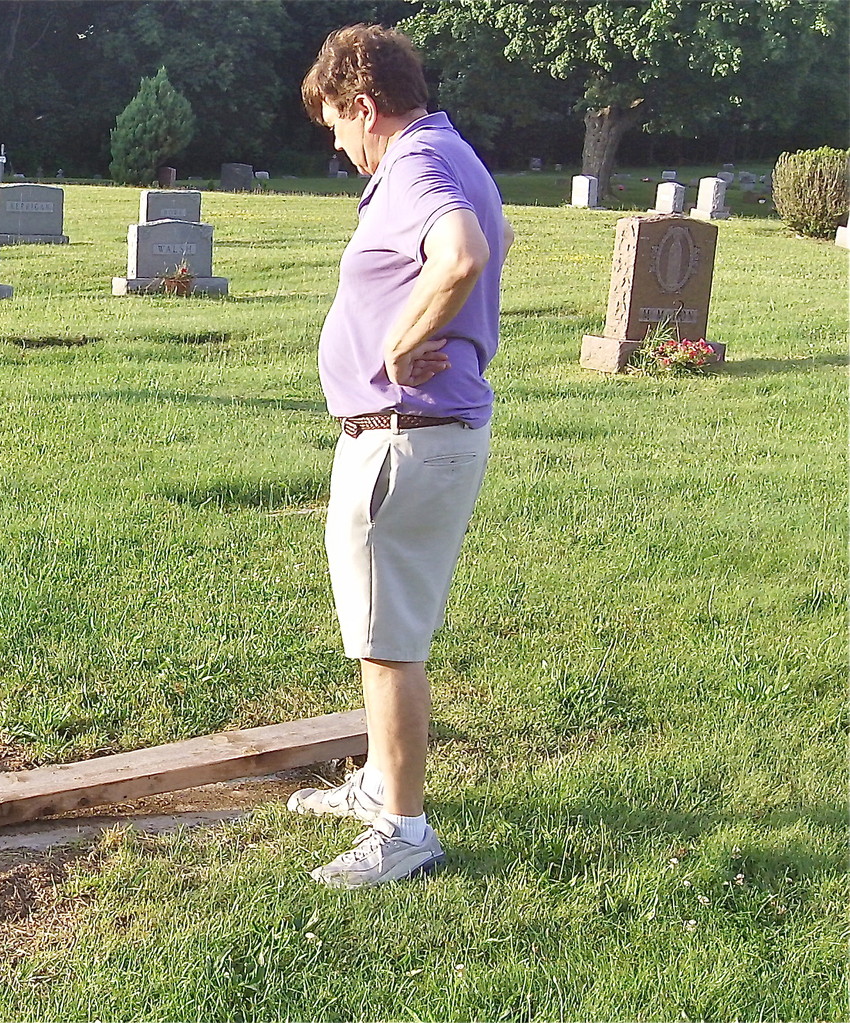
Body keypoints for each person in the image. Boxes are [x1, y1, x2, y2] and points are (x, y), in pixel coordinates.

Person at [286, 24, 513, 888]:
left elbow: (462, 255)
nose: (339, 146)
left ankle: (406, 828)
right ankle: (379, 779)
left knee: (388, 642)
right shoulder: (450, 151)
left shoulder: (415, 165)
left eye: (337, 126)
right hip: (415, 436)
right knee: (384, 630)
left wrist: (396, 347)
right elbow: (491, 244)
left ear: (364, 107)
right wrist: (426, 321)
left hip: (403, 439)